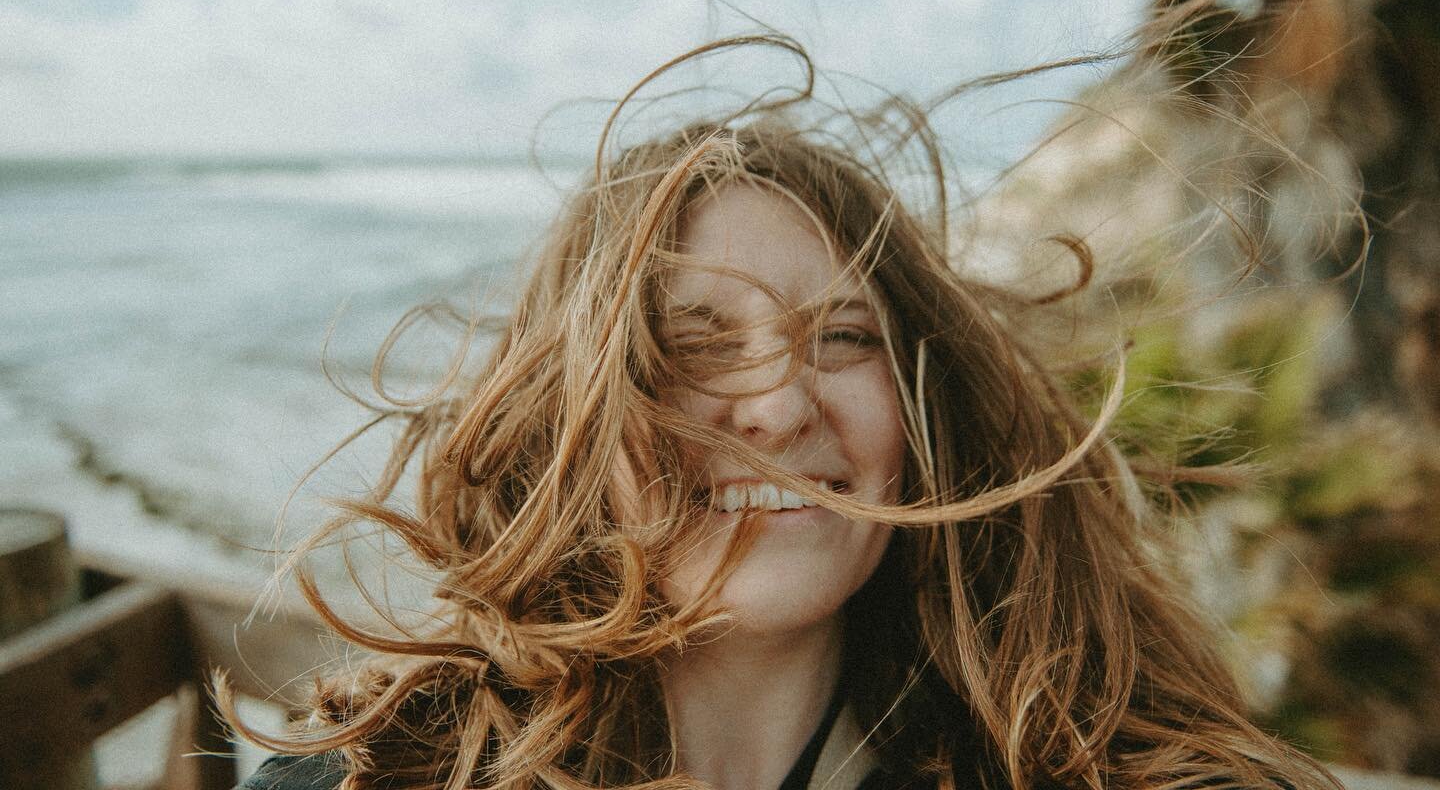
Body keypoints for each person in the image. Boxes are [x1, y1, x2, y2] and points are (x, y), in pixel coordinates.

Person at [225, 41, 1340, 790]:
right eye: (693, 344)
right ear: (570, 428)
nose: (777, 403)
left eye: (845, 338)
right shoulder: (385, 774)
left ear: (921, 418)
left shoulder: (1077, 762)